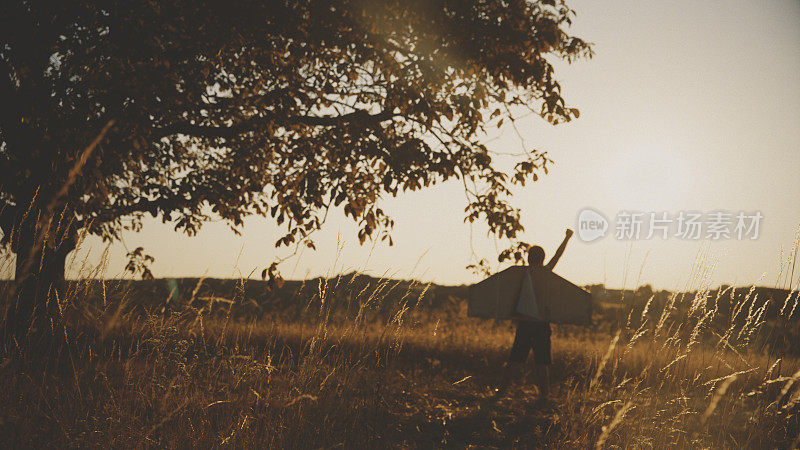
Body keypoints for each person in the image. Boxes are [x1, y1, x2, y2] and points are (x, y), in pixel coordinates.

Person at [496, 228, 574, 402]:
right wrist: (567, 238)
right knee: (542, 362)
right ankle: (544, 395)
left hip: (524, 323)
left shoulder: (521, 274)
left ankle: (501, 391)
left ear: (528, 258)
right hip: (541, 325)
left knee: (515, 359)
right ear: (543, 259)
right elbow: (558, 255)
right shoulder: (545, 273)